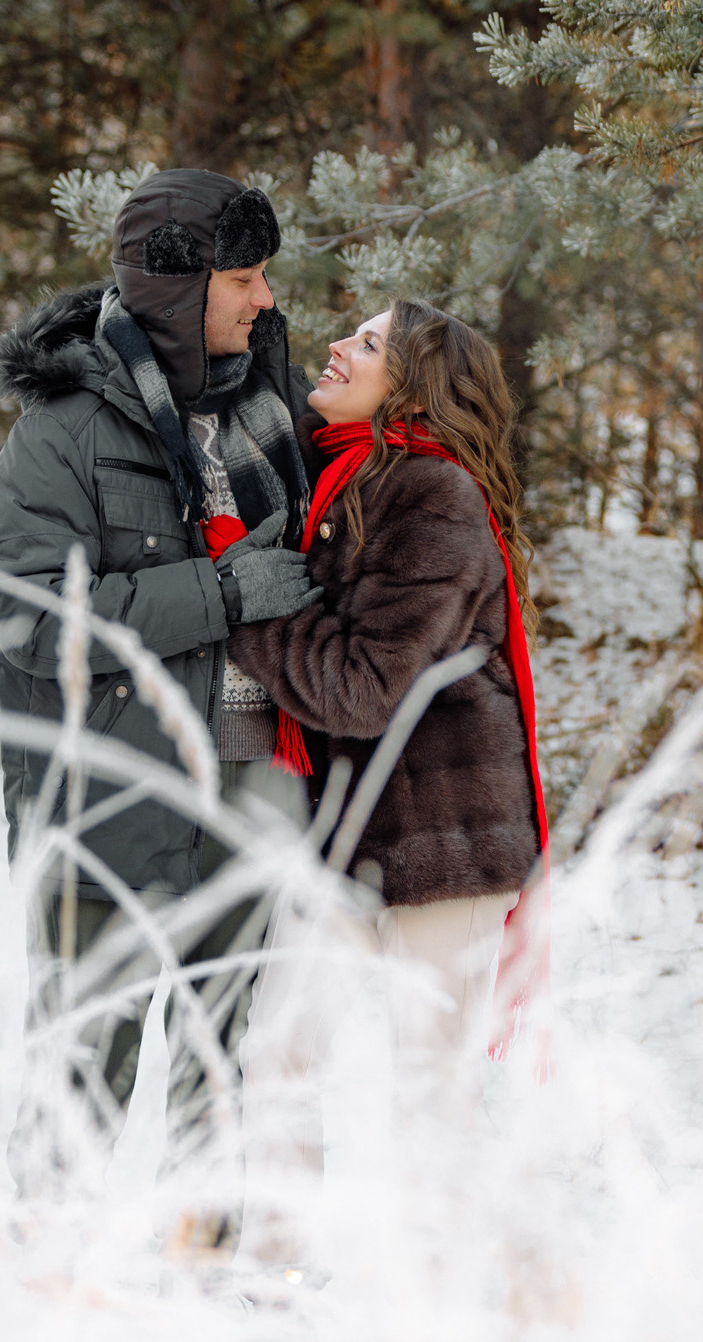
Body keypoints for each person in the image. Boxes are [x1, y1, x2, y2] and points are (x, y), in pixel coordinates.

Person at [0, 168, 329, 1246]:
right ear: (177, 287)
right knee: (86, 1064)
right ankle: (48, 1292)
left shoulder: (272, 404)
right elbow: (30, 618)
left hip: (254, 796)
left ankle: (200, 1305)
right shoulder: (64, 431)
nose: (264, 300)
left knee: (224, 1074)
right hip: (108, 806)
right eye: (243, 276)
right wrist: (217, 595)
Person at [229, 300, 547, 1056]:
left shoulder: (434, 495)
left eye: (368, 342)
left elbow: (362, 688)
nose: (338, 344)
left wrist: (245, 606)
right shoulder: (350, 475)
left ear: (411, 391)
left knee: (429, 1099)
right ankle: (283, 1185)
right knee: (277, 1054)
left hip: (447, 846)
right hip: (344, 833)